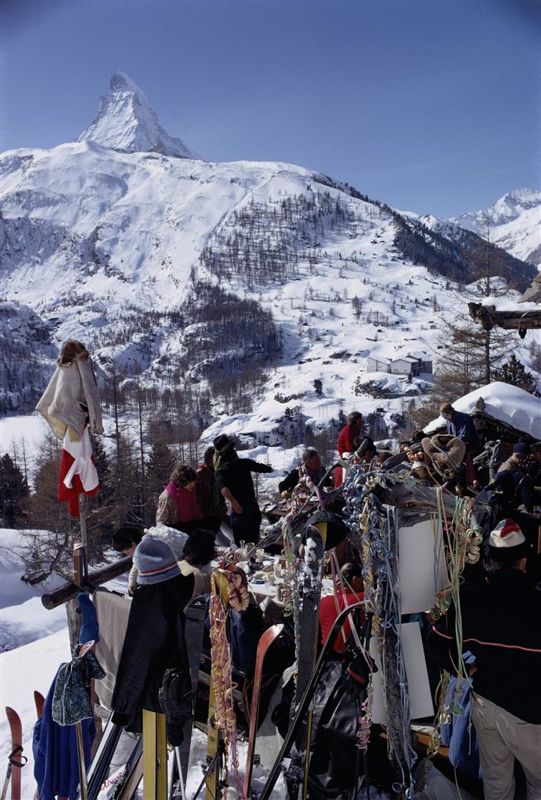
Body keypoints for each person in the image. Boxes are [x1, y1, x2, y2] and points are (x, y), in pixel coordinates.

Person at [427, 519, 541, 800]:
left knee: (496, 783)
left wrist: (463, 670)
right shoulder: (536, 603)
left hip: (486, 703)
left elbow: (436, 638)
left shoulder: (472, 599)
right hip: (528, 712)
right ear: (524, 561)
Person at [213, 434, 273, 545]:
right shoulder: (244, 463)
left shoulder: (220, 471)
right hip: (253, 511)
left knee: (242, 548)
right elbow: (264, 468)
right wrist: (269, 468)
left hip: (239, 514)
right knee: (254, 545)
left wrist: (233, 501)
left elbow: (224, 489)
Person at [156, 463, 220, 533]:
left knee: (214, 522)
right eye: (190, 483)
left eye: (193, 482)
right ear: (182, 482)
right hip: (175, 528)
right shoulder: (168, 497)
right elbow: (160, 522)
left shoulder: (190, 491)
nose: (193, 485)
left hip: (189, 523)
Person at [319, 562, 364, 653]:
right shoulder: (362, 599)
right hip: (347, 660)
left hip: (323, 659)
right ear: (355, 580)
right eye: (363, 580)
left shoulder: (323, 601)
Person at [196, 446, 228, 525]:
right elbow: (199, 499)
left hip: (218, 514)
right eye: (217, 459)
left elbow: (220, 497)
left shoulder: (218, 473)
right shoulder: (200, 475)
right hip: (206, 516)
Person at [335, 411, 364, 487]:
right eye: (359, 421)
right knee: (348, 463)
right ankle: (345, 484)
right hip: (346, 454)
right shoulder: (347, 430)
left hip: (354, 453)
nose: (361, 422)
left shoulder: (357, 430)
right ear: (354, 421)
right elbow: (349, 447)